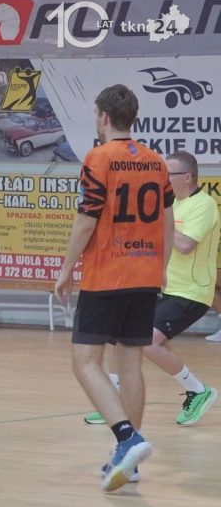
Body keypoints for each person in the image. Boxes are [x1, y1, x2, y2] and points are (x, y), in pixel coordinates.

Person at [54, 84, 174, 492]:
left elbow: (87, 219)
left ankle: (127, 438)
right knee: (130, 364)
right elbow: (167, 219)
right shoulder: (156, 161)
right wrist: (162, 266)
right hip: (146, 273)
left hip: (108, 273)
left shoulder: (99, 157)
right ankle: (129, 463)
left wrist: (67, 268)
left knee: (85, 361)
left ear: (103, 117)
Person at [82, 150, 218, 430]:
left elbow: (184, 245)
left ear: (187, 177)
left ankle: (197, 390)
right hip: (160, 286)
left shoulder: (203, 205)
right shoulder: (169, 204)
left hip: (190, 291)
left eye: (168, 174)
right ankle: (115, 402)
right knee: (123, 337)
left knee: (149, 342)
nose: (162, 179)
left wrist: (158, 221)